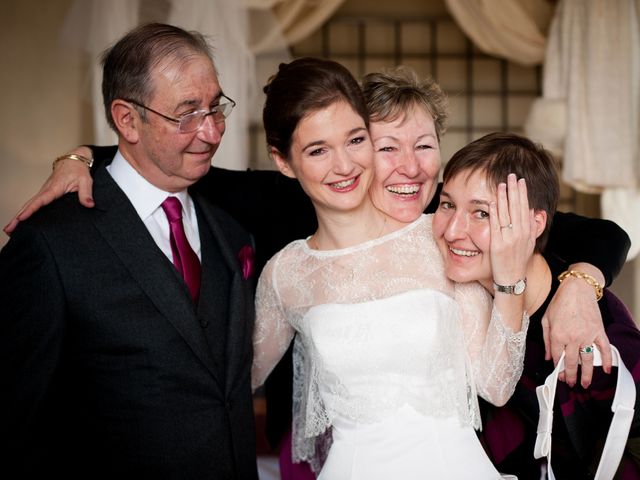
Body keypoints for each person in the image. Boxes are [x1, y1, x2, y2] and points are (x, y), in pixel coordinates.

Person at [2, 64, 631, 475]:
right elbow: (223, 377)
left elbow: (579, 237)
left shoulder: (446, 232)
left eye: (423, 147)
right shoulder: (286, 257)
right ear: (289, 162)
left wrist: (566, 283)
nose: (406, 167)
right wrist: (86, 155)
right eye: (382, 145)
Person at [251, 56, 537, 479]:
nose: (344, 165)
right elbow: (234, 381)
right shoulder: (286, 273)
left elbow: (494, 386)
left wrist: (518, 278)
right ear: (285, 161)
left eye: (354, 142)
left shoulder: (440, 235)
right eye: (318, 150)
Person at [0, 23, 258, 479]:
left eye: (216, 107)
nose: (212, 132)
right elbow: (15, 421)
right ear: (126, 119)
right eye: (187, 114)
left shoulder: (232, 226)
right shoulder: (50, 244)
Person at [432, 132, 640, 479]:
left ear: (535, 224)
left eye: (481, 213)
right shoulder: (465, 304)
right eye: (447, 204)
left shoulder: (594, 337)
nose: (453, 230)